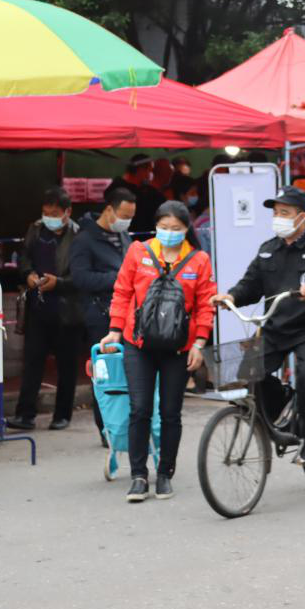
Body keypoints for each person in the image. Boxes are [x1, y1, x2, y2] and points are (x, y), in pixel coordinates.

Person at [213, 186, 305, 466]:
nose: (278, 218)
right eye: (275, 213)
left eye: (284, 213)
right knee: (247, 374)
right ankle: (283, 403)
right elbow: (250, 284)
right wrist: (231, 296)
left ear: (301, 217)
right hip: (275, 328)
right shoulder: (267, 251)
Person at [100, 201, 216, 502]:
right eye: (163, 228)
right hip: (137, 345)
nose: (168, 233)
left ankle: (165, 474)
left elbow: (205, 304)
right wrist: (114, 329)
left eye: (175, 229)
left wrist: (200, 343)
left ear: (186, 229)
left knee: (170, 413)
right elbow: (123, 290)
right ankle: (139, 476)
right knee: (139, 410)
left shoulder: (199, 260)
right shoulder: (138, 252)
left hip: (178, 349)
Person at [8, 187, 86, 431]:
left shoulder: (79, 236)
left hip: (67, 311)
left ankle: (62, 415)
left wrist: (59, 283)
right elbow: (24, 258)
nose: (49, 217)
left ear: (67, 212)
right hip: (38, 308)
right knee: (32, 362)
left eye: (54, 213)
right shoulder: (36, 229)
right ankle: (25, 414)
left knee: (66, 365)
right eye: (45, 212)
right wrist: (28, 274)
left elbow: (83, 276)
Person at [71, 185, 137, 444]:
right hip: (100, 317)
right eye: (124, 215)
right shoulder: (84, 241)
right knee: (106, 375)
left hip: (127, 315)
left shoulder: (123, 237)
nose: (126, 221)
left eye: (130, 217)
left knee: (129, 374)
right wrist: (118, 278)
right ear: (109, 210)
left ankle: (127, 425)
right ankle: (106, 428)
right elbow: (80, 278)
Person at [112, 154, 165, 238]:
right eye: (149, 171)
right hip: (126, 237)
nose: (150, 175)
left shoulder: (147, 190)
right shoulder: (117, 189)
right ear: (141, 170)